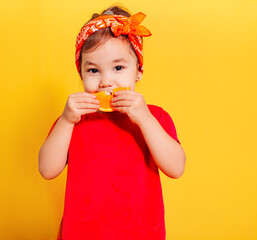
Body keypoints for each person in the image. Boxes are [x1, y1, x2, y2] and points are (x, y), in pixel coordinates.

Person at [38, 4, 186, 240]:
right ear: (81, 74)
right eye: (94, 70)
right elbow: (46, 170)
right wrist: (66, 120)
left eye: (118, 67)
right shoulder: (74, 118)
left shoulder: (155, 117)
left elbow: (176, 168)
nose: (107, 81)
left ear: (138, 71)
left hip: (140, 233)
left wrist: (144, 119)